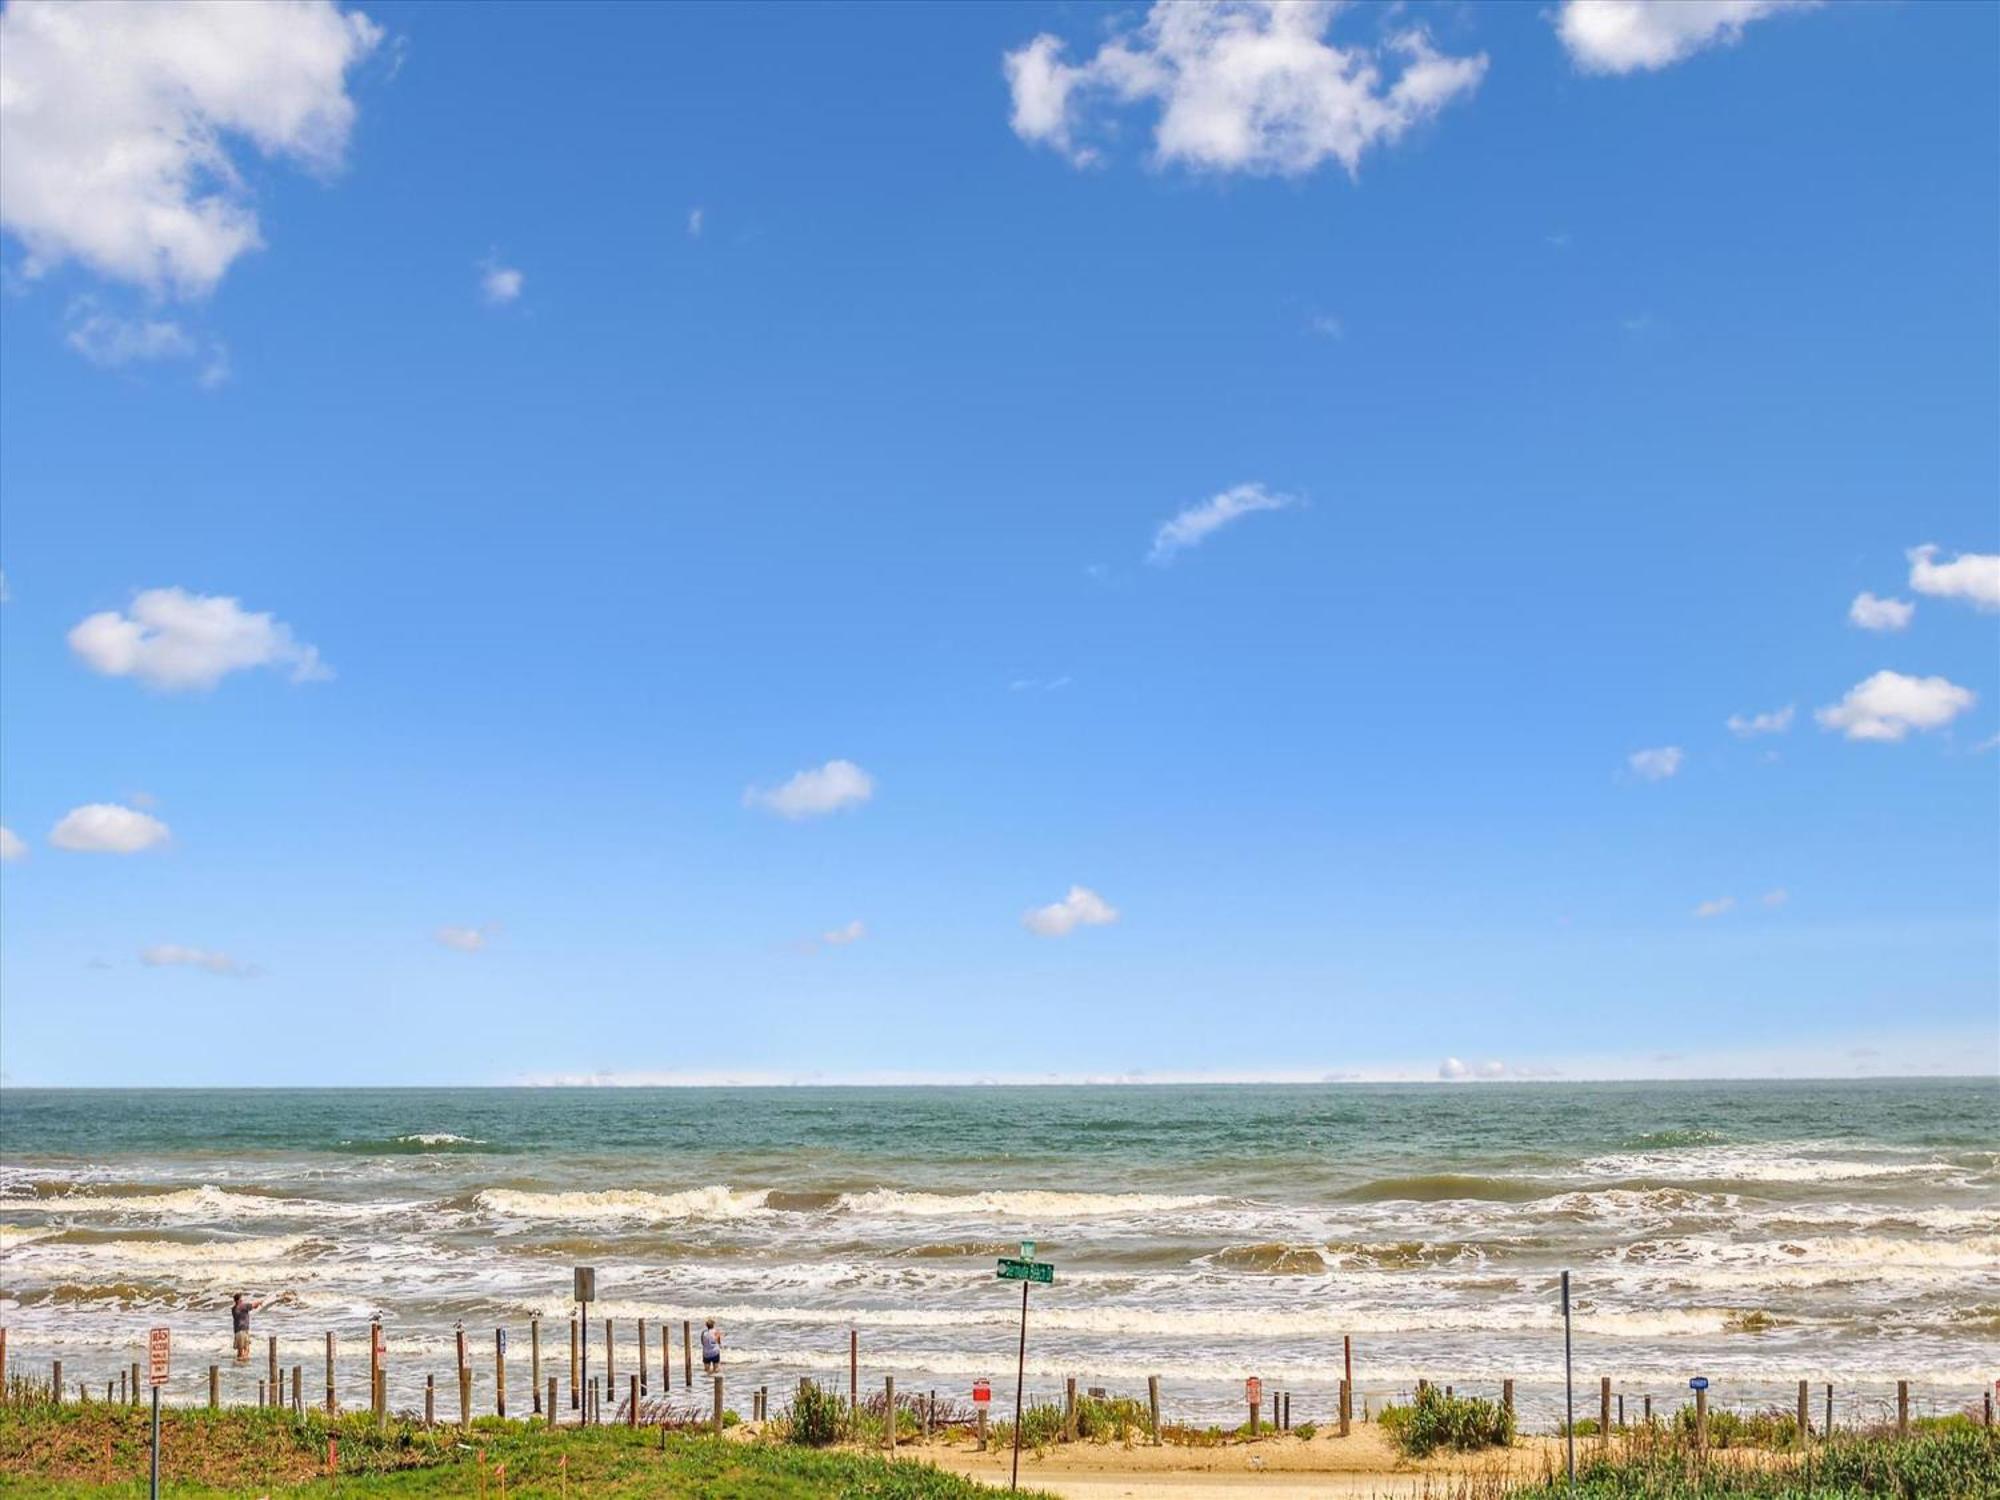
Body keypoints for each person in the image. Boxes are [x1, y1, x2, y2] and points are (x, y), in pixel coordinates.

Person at [230, 1292, 270, 1362]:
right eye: (241, 1300)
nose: (242, 1301)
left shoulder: (233, 1309)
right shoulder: (242, 1306)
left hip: (237, 1331)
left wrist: (256, 1305)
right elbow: (253, 1305)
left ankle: (239, 1363)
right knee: (246, 1349)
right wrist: (260, 1302)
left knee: (240, 1351)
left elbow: (252, 1307)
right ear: (239, 1300)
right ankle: (243, 1363)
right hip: (243, 1331)